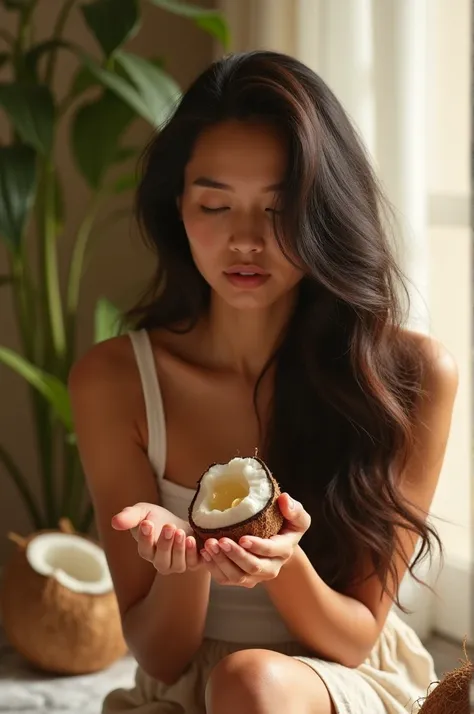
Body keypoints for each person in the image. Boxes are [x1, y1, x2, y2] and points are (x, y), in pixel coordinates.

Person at [69, 50, 458, 714]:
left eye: (279, 210)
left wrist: (283, 565)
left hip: (338, 682)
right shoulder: (116, 381)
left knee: (249, 682)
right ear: (178, 207)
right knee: (233, 684)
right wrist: (187, 562)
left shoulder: (410, 376)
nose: (244, 240)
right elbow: (159, 657)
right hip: (186, 690)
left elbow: (356, 638)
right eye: (215, 204)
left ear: (326, 212)